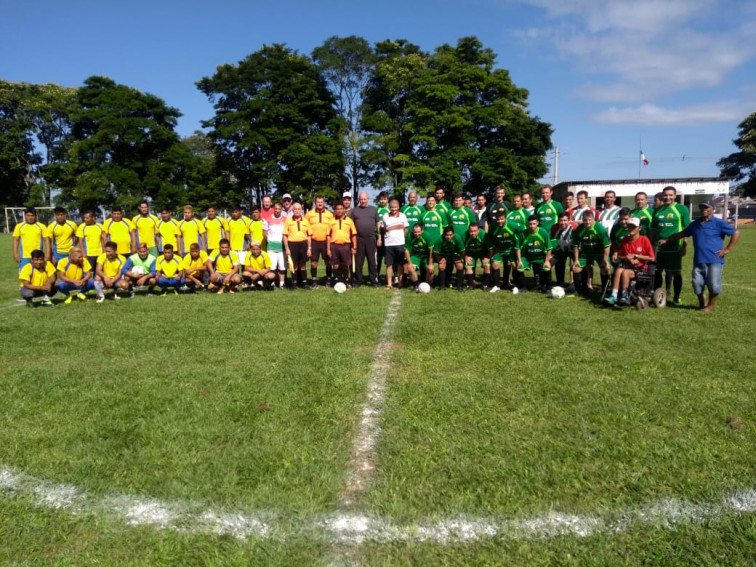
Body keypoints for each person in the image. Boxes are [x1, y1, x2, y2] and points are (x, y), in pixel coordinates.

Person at [658, 199, 740, 312]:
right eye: (702, 207)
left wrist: (727, 249)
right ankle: (702, 303)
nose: (704, 210)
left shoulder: (719, 223)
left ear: (713, 209)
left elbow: (736, 232)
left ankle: (710, 306)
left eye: (706, 207)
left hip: (715, 260)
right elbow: (683, 233)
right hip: (698, 260)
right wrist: (667, 240)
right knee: (697, 284)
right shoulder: (695, 224)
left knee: (713, 285)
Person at [650, 186, 690, 305]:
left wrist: (684, 246)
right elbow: (653, 229)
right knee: (657, 271)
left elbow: (687, 230)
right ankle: (656, 296)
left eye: (670, 195)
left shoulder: (681, 209)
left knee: (675, 272)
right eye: (665, 195)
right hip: (658, 248)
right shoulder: (657, 210)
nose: (668, 197)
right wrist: (651, 245)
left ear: (675, 196)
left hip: (674, 248)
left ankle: (676, 297)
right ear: (662, 196)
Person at [604, 217, 655, 305]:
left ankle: (625, 295)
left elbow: (651, 258)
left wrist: (636, 256)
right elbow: (620, 255)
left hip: (641, 268)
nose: (631, 229)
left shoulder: (644, 240)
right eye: (630, 227)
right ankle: (614, 295)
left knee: (625, 272)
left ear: (639, 228)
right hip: (627, 265)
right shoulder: (625, 240)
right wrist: (626, 258)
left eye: (634, 227)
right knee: (619, 270)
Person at [572, 210, 611, 295]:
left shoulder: (600, 228)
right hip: (586, 253)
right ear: (582, 220)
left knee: (605, 268)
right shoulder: (580, 229)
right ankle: (581, 290)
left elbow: (607, 245)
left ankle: (605, 290)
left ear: (594, 219)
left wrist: (605, 260)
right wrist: (576, 260)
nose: (587, 222)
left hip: (599, 252)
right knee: (576, 268)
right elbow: (575, 245)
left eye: (590, 220)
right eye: (585, 220)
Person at [348, 191, 381, 288]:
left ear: (368, 199)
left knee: (372, 261)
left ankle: (374, 281)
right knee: (359, 261)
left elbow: (378, 224)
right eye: (361, 199)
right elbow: (350, 224)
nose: (362, 201)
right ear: (359, 199)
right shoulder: (354, 210)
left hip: (371, 239)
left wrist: (379, 237)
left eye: (364, 199)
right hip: (358, 239)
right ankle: (358, 280)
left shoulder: (373, 210)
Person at [514, 215, 553, 293]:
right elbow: (517, 248)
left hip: (540, 256)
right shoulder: (523, 233)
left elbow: (549, 248)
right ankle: (523, 288)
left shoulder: (543, 232)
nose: (532, 226)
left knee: (547, 268)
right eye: (530, 224)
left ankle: (548, 288)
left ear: (537, 223)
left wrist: (547, 260)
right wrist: (519, 260)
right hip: (527, 256)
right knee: (519, 268)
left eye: (534, 224)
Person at [304, 196, 333, 287]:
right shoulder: (309, 214)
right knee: (314, 262)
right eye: (318, 202)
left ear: (324, 203)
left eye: (321, 202)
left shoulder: (330, 214)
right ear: (315, 203)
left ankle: (328, 280)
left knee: (327, 262)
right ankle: (314, 281)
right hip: (314, 242)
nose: (320, 204)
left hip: (326, 241)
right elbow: (304, 226)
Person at [487, 211, 519, 293]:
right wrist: (494, 247)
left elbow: (521, 235)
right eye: (498, 219)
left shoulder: (513, 225)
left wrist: (516, 248)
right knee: (495, 265)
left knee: (512, 265)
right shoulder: (492, 227)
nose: (500, 221)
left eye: (502, 219)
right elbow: (490, 238)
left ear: (505, 218)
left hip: (510, 249)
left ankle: (513, 285)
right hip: (499, 249)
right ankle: (496, 285)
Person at [327, 202, 357, 287]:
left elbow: (353, 235)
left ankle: (346, 280)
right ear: (335, 210)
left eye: (341, 209)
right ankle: (336, 280)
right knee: (335, 264)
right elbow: (328, 236)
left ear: (344, 209)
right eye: (337, 209)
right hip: (334, 245)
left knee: (345, 264)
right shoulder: (331, 221)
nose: (339, 211)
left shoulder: (349, 221)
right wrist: (328, 249)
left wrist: (354, 247)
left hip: (345, 245)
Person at [381, 199, 409, 289]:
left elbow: (406, 229)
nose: (393, 209)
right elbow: (383, 229)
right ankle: (389, 284)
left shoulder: (403, 216)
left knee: (400, 264)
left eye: (395, 207)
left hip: (400, 244)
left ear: (398, 207)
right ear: (390, 207)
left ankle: (400, 282)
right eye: (392, 207)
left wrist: (401, 237)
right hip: (388, 244)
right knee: (389, 264)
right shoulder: (385, 216)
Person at [283, 202, 312, 288]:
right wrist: (287, 248)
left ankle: (304, 283)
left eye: (299, 209)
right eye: (295, 209)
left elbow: (309, 235)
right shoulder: (288, 221)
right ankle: (294, 283)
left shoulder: (306, 221)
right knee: (294, 264)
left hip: (303, 244)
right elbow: (285, 235)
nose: (297, 211)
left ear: (301, 210)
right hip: (292, 244)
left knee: (303, 264)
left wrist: (309, 248)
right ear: (292, 210)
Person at [551, 212, 578, 291]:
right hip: (561, 249)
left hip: (573, 250)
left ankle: (574, 283)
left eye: (565, 220)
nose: (562, 223)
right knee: (552, 263)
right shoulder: (555, 228)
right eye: (560, 220)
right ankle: (557, 283)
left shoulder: (575, 228)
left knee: (575, 265)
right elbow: (552, 241)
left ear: (569, 220)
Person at [432, 226, 465, 291]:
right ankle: (442, 286)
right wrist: (439, 260)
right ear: (444, 234)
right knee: (441, 266)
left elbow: (462, 250)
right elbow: (436, 252)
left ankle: (459, 286)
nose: (448, 237)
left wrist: (459, 258)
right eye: (447, 235)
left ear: (453, 234)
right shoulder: (439, 239)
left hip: (454, 254)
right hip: (443, 255)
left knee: (460, 265)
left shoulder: (457, 238)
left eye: (450, 235)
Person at [266, 202, 287, 289]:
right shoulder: (267, 219)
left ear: (281, 210)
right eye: (276, 209)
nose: (277, 210)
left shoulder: (286, 219)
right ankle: (272, 283)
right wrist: (270, 241)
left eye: (279, 209)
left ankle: (282, 284)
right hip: (271, 247)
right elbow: (265, 233)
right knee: (273, 267)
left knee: (282, 267)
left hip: (282, 247)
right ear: (273, 209)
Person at [463, 222, 490, 290]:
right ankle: (471, 285)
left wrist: (488, 257)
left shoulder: (483, 235)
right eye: (471, 231)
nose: (473, 233)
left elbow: (490, 248)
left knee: (487, 265)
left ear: (478, 230)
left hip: (482, 253)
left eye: (475, 231)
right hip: (471, 253)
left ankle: (485, 285)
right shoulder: (465, 235)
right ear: (469, 230)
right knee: (468, 266)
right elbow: (461, 249)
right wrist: (466, 257)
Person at [376, 191, 390, 280]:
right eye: (381, 199)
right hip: (378, 237)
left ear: (387, 200)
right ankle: (376, 275)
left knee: (390, 257)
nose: (382, 201)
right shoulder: (376, 210)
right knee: (378, 257)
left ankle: (395, 275)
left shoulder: (390, 210)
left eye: (384, 199)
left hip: (389, 237)